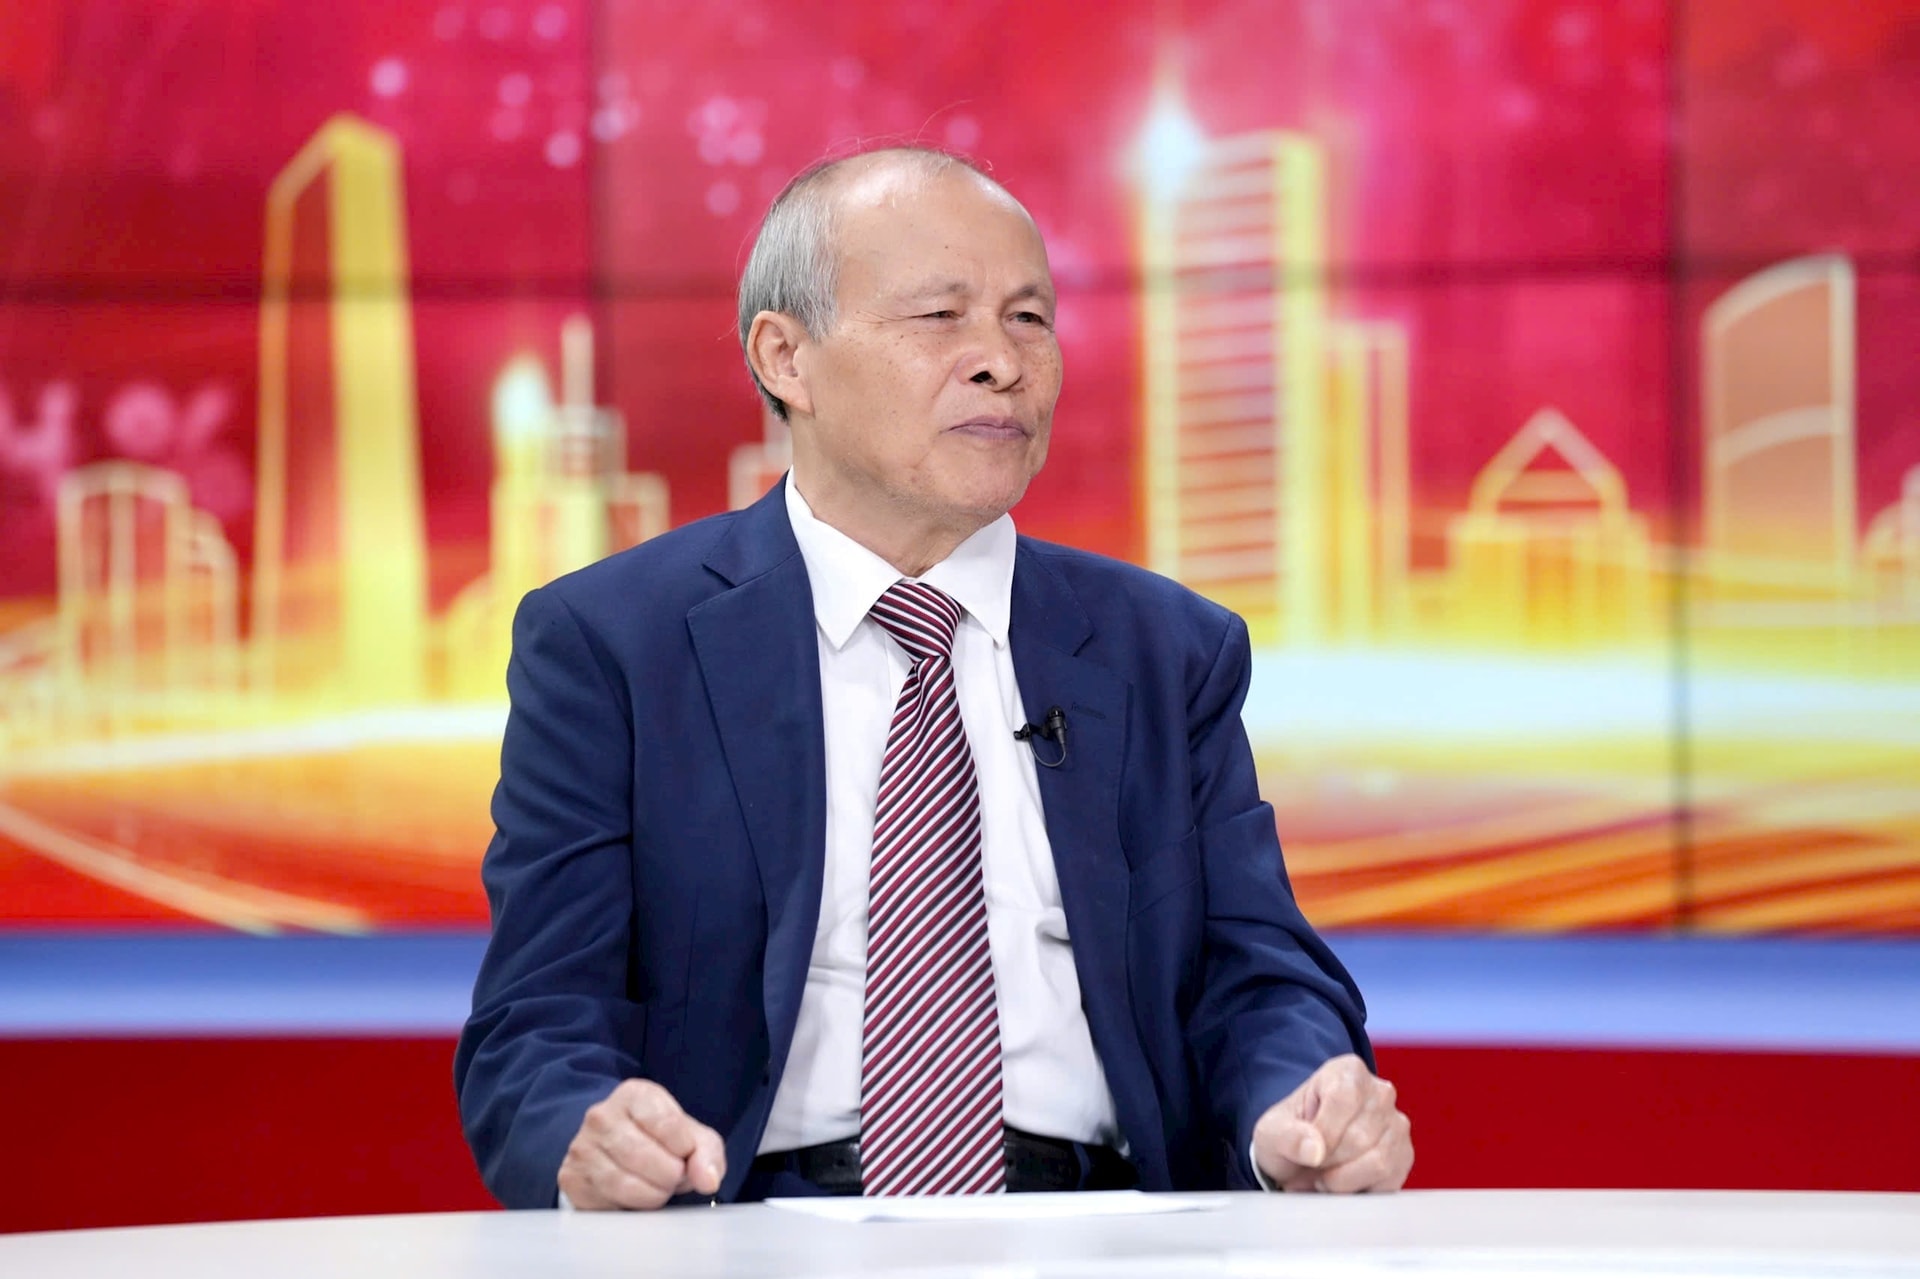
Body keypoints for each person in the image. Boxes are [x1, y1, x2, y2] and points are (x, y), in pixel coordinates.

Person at [454, 146, 1413, 1210]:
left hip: (1095, 1224)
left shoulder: (1165, 649)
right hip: (748, 1223)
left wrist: (1298, 1101)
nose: (1001, 361)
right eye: (940, 317)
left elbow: (1258, 974)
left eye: (1029, 318)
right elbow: (536, 1023)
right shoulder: (615, 643)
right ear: (786, 357)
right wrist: (589, 1130)